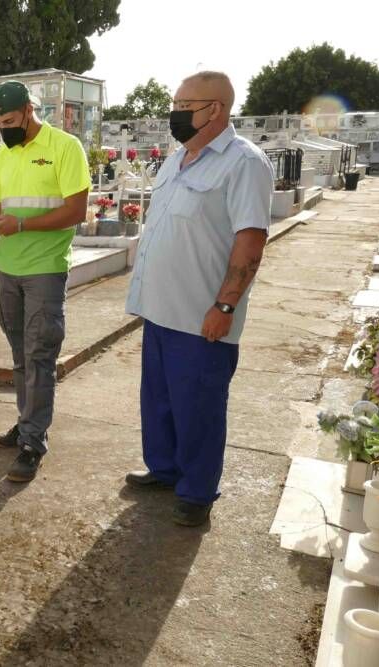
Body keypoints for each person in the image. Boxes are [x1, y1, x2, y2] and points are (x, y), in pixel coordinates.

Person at [123, 71, 273, 527]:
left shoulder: (243, 163)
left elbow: (250, 241)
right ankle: (165, 469)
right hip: (160, 310)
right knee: (161, 400)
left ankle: (197, 491)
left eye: (186, 106)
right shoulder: (177, 159)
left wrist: (225, 306)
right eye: (176, 104)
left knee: (199, 408)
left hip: (201, 316)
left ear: (217, 109)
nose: (176, 114)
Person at [0, 81, 90, 482]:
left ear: (29, 110)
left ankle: (33, 441)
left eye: (8, 121)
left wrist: (22, 223)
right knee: (20, 354)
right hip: (8, 267)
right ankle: (27, 423)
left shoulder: (65, 148)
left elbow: (77, 211)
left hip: (45, 268)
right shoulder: (2, 157)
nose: (3, 128)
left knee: (40, 354)